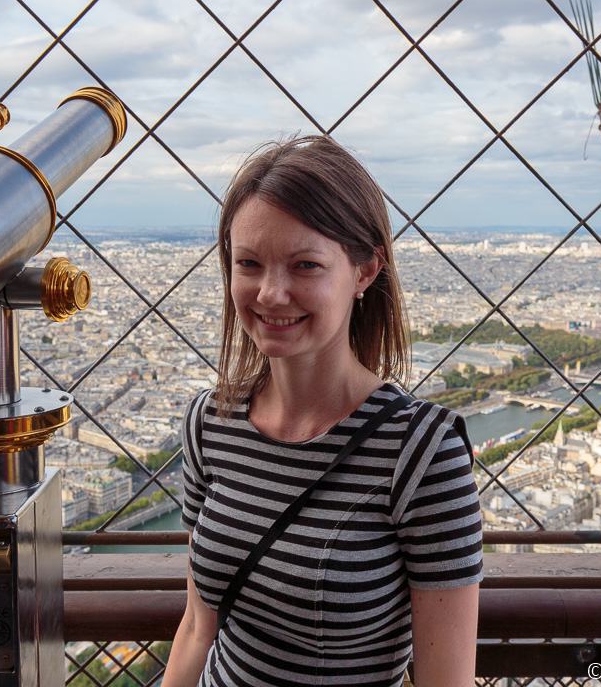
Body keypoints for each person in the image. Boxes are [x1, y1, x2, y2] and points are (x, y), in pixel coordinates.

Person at [162, 135, 483, 687]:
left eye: (305, 265)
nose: (270, 293)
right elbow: (198, 626)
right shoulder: (209, 424)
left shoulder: (422, 454)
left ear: (364, 272)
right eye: (249, 264)